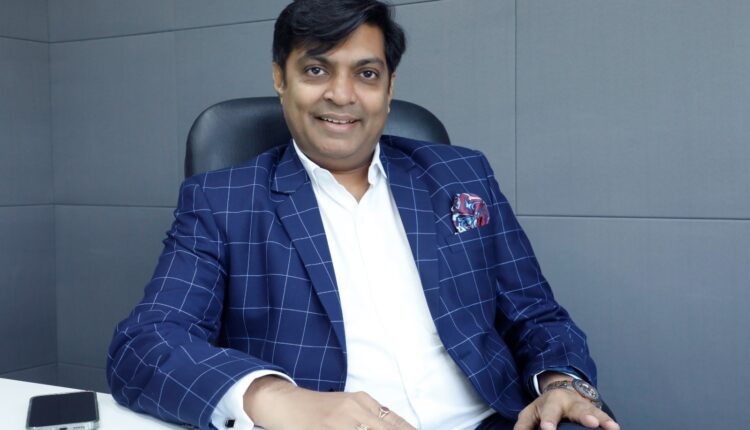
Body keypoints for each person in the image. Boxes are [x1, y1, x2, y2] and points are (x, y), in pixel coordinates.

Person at [107, 1, 620, 430]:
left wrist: (561, 383)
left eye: (366, 74)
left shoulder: (461, 175)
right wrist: (278, 399)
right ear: (280, 78)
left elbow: (536, 315)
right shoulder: (223, 201)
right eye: (316, 69)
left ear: (389, 88)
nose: (342, 94)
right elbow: (144, 346)